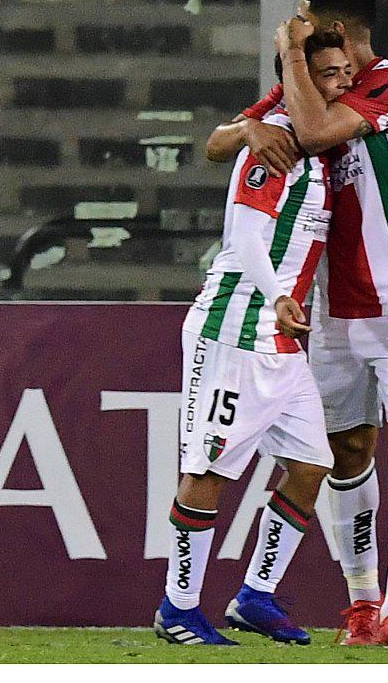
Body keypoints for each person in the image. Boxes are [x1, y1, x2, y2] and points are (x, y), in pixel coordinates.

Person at [207, 0, 388, 648]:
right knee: (346, 454)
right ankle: (365, 605)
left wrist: (288, 63)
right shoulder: (317, 83)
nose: (298, 26)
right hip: (333, 309)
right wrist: (251, 131)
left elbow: (311, 135)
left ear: (334, 27)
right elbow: (218, 142)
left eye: (306, 18)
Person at [154, 32, 351, 646]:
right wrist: (278, 297)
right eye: (327, 74)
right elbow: (242, 241)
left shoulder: (318, 141)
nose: (341, 83)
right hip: (236, 328)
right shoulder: (275, 139)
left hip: (281, 339)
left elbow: (223, 136)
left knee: (314, 463)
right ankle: (177, 609)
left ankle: (255, 595)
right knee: (210, 468)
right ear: (299, 79)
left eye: (346, 71)